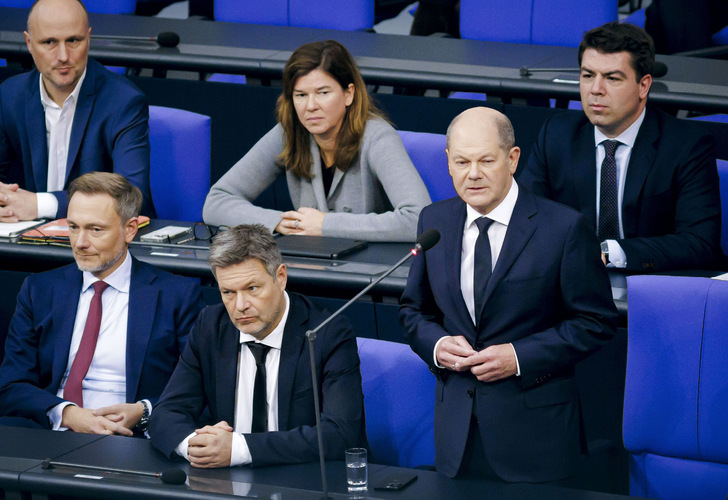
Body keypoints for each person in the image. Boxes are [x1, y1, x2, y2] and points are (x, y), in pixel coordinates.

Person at [400, 107, 617, 482]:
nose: (473, 174)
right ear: (448, 163)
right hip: (457, 438)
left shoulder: (563, 228)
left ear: (513, 159)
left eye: (486, 160)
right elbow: (412, 311)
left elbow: (596, 322)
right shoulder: (434, 222)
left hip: (535, 438)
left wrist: (519, 356)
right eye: (462, 162)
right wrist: (437, 346)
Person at [0, 172, 202, 434]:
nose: (81, 243)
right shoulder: (39, 290)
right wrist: (68, 414)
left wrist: (143, 411)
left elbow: (197, 387)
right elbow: (11, 384)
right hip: (52, 429)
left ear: (129, 229)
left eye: (95, 229)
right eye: (74, 227)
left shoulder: (177, 295)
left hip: (132, 438)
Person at [149, 224, 366, 467]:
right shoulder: (210, 326)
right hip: (225, 483)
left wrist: (238, 448)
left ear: (280, 277)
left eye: (252, 288)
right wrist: (195, 446)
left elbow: (341, 435)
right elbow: (165, 413)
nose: (240, 305)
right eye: (228, 292)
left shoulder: (328, 332)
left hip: (303, 479)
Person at [520, 22, 722, 272]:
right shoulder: (557, 134)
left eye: (612, 78)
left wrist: (608, 252)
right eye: (587, 75)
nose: (596, 90)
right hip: (570, 282)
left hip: (651, 284)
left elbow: (700, 243)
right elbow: (524, 218)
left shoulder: (687, 145)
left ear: (644, 85)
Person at [202, 40, 431, 243]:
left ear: (348, 94)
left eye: (323, 93)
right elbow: (216, 201)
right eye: (301, 95)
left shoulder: (378, 137)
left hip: (367, 271)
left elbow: (418, 219)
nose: (311, 106)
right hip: (308, 264)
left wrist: (325, 225)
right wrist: (278, 221)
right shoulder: (289, 131)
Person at [0, 0, 155, 222]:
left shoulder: (124, 102)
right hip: (28, 243)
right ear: (29, 43)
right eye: (49, 42)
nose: (63, 56)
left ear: (89, 38)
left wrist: (40, 204)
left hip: (99, 244)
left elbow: (132, 195)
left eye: (73, 40)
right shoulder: (10, 95)